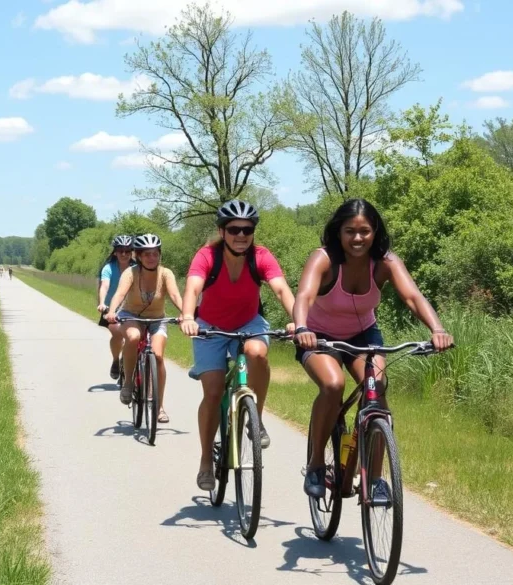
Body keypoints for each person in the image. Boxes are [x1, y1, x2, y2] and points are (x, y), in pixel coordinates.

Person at [293, 198, 453, 499]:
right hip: (318, 336)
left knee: (376, 391)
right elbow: (304, 295)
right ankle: (315, 464)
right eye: (350, 231)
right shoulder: (324, 258)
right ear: (338, 232)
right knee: (332, 384)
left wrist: (438, 329)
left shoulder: (386, 262)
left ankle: (376, 479)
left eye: (364, 231)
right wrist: (301, 328)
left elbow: (413, 297)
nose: (357, 238)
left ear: (375, 231)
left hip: (363, 335)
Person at [178, 200, 297, 491]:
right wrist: (188, 316)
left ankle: (255, 420)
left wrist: (299, 321)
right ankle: (206, 460)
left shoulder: (261, 256)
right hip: (209, 327)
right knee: (214, 389)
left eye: (247, 229)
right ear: (222, 231)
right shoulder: (208, 255)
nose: (241, 235)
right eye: (234, 229)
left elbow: (281, 288)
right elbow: (193, 287)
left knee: (257, 353)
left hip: (248, 323)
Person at [105, 234, 183, 423]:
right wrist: (112, 311)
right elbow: (120, 293)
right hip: (131, 316)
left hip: (157, 319)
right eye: (147, 254)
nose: (151, 258)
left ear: (159, 255)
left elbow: (174, 294)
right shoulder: (131, 273)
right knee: (133, 337)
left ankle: (159, 407)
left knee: (157, 356)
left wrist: (186, 313)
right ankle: (129, 383)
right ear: (138, 256)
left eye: (155, 254)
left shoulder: (166, 274)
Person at [97, 235, 136, 379]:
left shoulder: (136, 268)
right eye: (121, 251)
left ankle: (129, 360)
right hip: (111, 308)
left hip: (132, 308)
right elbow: (104, 285)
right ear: (115, 252)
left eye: (127, 251)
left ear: (131, 252)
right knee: (117, 333)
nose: (124, 254)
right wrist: (102, 303)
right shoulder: (108, 268)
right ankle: (115, 360)